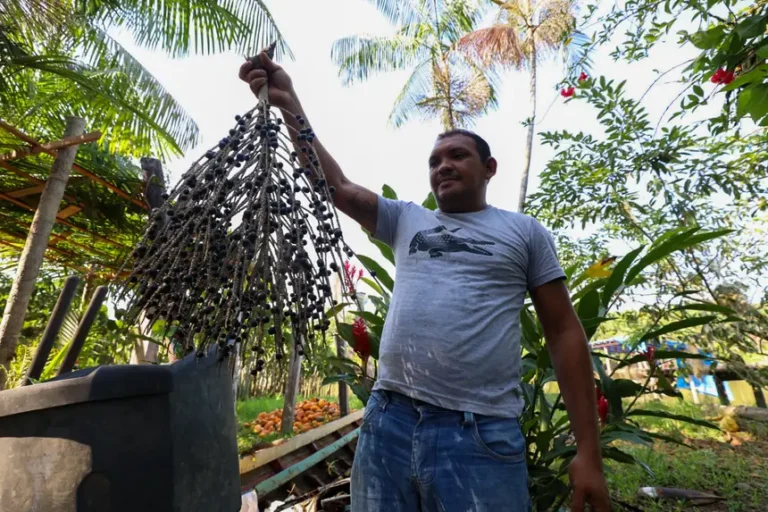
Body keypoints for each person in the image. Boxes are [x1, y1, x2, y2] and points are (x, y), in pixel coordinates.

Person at [239, 50, 612, 512]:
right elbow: (332, 184)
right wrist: (288, 101)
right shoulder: (406, 220)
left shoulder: (525, 232)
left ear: (489, 168)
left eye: (458, 155)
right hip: (388, 424)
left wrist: (588, 453)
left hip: (479, 435)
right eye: (434, 160)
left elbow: (562, 332)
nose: (443, 166)